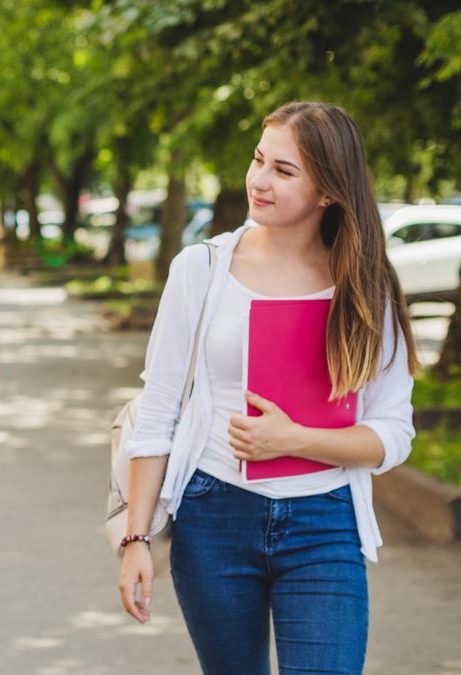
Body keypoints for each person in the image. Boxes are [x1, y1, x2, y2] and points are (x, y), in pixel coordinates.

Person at [117, 101, 417, 674]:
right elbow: (158, 412)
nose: (259, 180)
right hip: (214, 514)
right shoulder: (199, 268)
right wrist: (136, 541)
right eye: (259, 160)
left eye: (284, 171)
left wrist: (295, 440)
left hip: (325, 522)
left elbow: (393, 434)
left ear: (328, 190)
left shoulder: (365, 286)